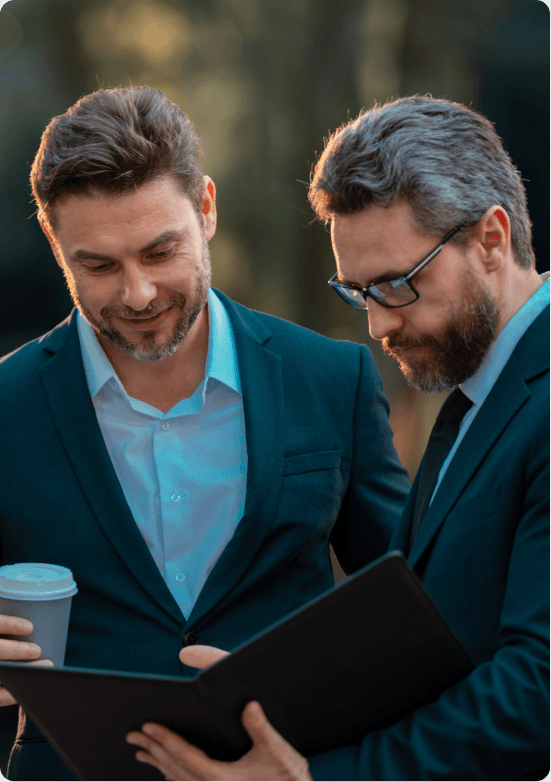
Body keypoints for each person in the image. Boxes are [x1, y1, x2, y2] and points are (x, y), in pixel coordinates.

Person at [127, 95, 550, 781]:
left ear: (492, 240)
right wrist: (275, 697)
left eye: (396, 285)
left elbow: (535, 690)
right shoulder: (480, 388)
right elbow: (422, 639)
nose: (378, 327)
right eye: (359, 292)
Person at [0, 86, 409, 781]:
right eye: (96, 265)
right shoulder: (6, 406)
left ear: (207, 209)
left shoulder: (331, 378)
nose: (137, 294)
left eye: (160, 251)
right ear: (55, 245)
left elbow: (406, 608)